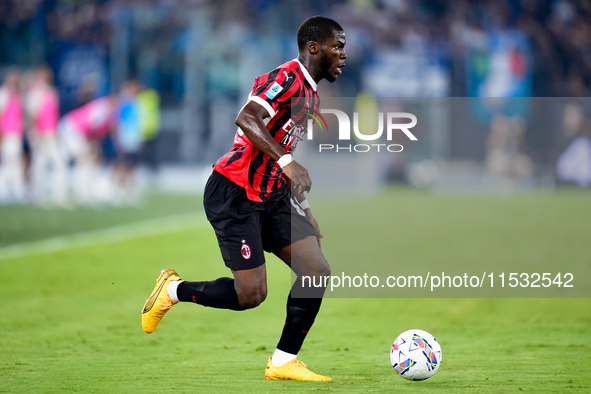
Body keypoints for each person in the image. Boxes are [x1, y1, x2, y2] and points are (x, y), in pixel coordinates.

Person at [141, 16, 347, 382]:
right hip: (235, 191)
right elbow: (246, 117)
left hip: (274, 196)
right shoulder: (285, 78)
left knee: (316, 271)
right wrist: (287, 162)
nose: (344, 54)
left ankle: (283, 362)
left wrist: (305, 208)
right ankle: (172, 289)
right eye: (338, 46)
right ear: (315, 48)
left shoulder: (312, 92)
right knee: (251, 295)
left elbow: (284, 147)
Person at [25, 65, 66, 206]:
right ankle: (37, 195)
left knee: (54, 163)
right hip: (42, 134)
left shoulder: (50, 91)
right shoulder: (36, 93)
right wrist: (36, 134)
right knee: (41, 164)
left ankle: (55, 195)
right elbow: (32, 115)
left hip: (51, 133)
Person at [0, 69, 25, 203]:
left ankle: (15, 192)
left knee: (14, 164)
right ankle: (4, 192)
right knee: (7, 163)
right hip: (7, 135)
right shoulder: (4, 94)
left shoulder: (16, 96)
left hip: (15, 134)